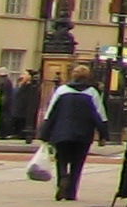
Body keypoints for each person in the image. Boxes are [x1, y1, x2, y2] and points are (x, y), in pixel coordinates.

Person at [41, 69, 108, 200]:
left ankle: (62, 179)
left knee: (61, 159)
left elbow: (51, 113)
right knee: (78, 163)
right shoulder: (92, 92)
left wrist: (45, 133)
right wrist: (103, 135)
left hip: (62, 132)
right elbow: (100, 115)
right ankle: (71, 192)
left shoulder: (62, 90)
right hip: (83, 133)